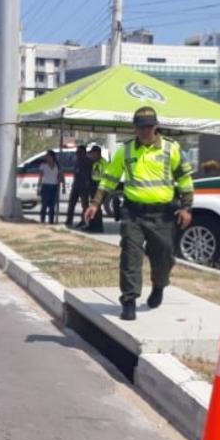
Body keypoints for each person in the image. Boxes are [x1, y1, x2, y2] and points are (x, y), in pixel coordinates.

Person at [84, 106, 194, 321]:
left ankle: (159, 286)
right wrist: (95, 203)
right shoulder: (125, 151)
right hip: (133, 213)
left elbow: (184, 180)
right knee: (130, 256)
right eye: (141, 127)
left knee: (163, 256)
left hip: (162, 215)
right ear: (135, 128)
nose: (145, 131)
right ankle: (129, 300)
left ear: (156, 127)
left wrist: (186, 207)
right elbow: (109, 179)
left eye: (149, 127)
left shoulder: (170, 149)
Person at [66, 146, 95, 228]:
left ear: (84, 153)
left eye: (79, 152)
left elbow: (90, 174)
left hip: (84, 186)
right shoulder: (77, 161)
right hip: (76, 185)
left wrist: (88, 183)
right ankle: (69, 220)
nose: (77, 154)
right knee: (71, 204)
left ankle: (84, 220)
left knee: (84, 205)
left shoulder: (89, 162)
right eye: (77, 152)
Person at [83, 146, 106, 233]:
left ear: (98, 153)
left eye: (93, 153)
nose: (91, 155)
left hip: (100, 185)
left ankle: (98, 227)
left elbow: (105, 176)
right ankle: (91, 225)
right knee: (92, 206)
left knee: (97, 207)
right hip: (93, 185)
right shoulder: (94, 163)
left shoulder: (103, 163)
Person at [38, 150, 61, 224]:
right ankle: (42, 220)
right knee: (44, 205)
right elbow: (40, 177)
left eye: (48, 156)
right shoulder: (43, 165)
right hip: (46, 186)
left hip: (54, 186)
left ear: (52, 157)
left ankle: (51, 221)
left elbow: (60, 176)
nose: (46, 157)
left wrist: (62, 185)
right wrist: (39, 187)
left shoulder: (57, 165)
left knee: (52, 206)